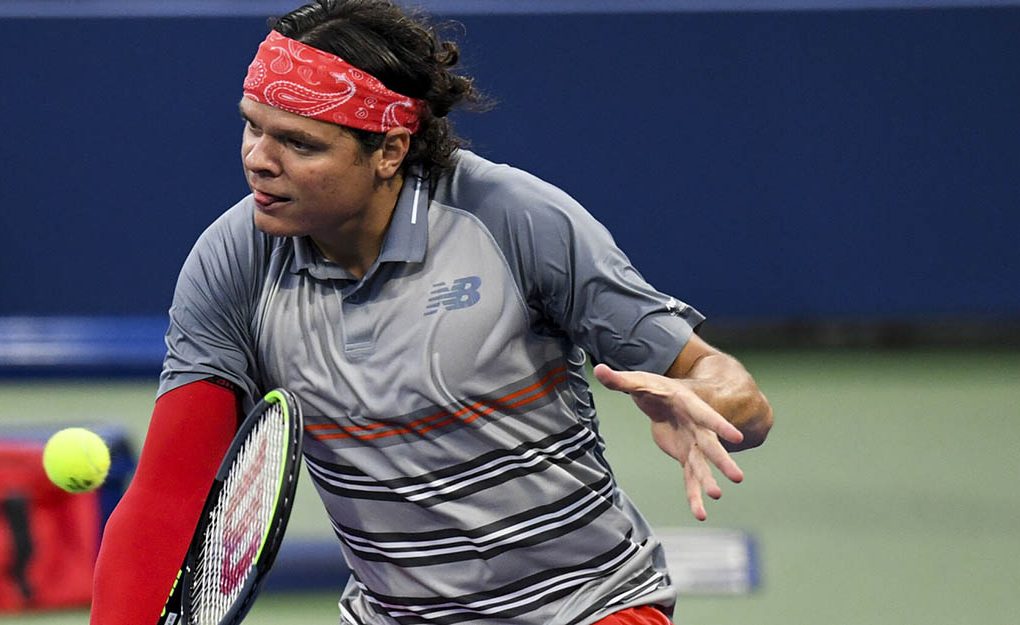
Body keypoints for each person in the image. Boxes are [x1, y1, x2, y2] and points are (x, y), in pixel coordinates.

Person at [91, 1, 774, 624]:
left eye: (300, 143)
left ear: (389, 149)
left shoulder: (515, 220)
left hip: (586, 607)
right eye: (251, 126)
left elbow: (732, 391)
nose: (257, 160)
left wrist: (709, 401)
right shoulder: (231, 262)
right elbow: (165, 498)